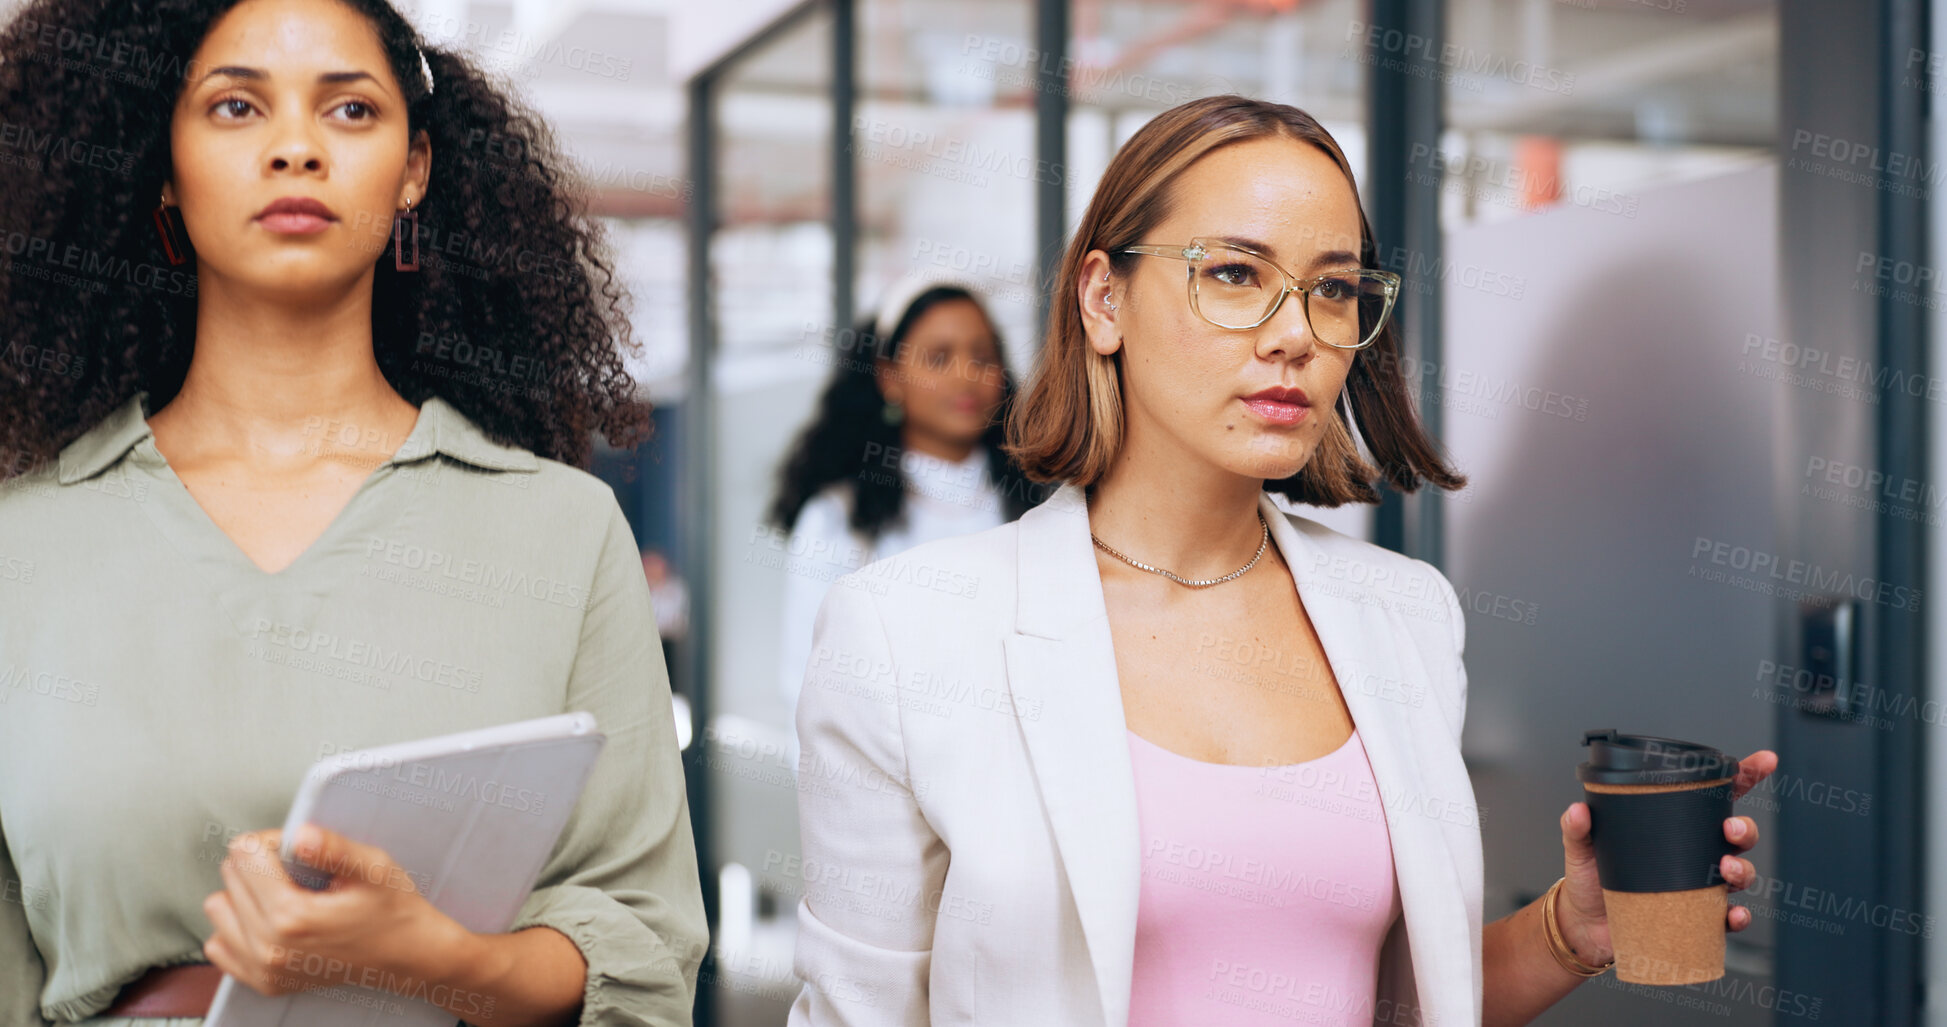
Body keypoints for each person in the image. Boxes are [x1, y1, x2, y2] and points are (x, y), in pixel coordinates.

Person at [786, 95, 1779, 1027]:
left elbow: (1387, 998)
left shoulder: (1406, 615)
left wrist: (1570, 931)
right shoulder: (911, 628)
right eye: (1233, 274)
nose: (1297, 334)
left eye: (1335, 289)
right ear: (1103, 298)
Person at [0, 1, 705, 1024]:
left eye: (350, 112)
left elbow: (640, 945)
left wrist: (438, 960)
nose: (295, 149)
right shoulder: (24, 545)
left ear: (414, 169)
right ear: (163, 161)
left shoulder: (562, 530)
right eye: (237, 107)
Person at [768, 278, 1043, 709]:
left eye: (983, 357)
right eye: (939, 357)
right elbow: (807, 696)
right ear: (889, 377)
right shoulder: (838, 520)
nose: (966, 376)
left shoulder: (1042, 506)